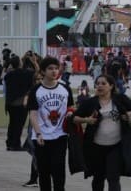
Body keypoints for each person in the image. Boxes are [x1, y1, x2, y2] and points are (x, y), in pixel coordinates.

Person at [72, 74, 131, 191]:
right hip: (95, 146)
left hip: (116, 145)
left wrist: (130, 113)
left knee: (113, 177)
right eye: (98, 83)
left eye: (103, 83)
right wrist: (86, 120)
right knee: (98, 178)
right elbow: (74, 118)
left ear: (111, 86)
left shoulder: (120, 99)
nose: (100, 86)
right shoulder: (90, 102)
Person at [27, 56, 75, 191]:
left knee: (58, 169)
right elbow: (33, 114)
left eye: (56, 68)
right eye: (50, 69)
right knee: (44, 171)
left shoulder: (65, 88)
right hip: (41, 136)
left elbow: (71, 107)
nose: (54, 71)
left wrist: (71, 113)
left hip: (60, 135)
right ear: (42, 71)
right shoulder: (36, 90)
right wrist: (38, 133)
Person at [3, 55, 35, 151]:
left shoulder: (8, 75)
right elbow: (37, 72)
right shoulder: (25, 73)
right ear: (20, 63)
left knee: (12, 124)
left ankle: (9, 143)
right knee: (19, 125)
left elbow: (7, 75)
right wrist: (34, 62)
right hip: (20, 103)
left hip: (10, 104)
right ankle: (16, 144)